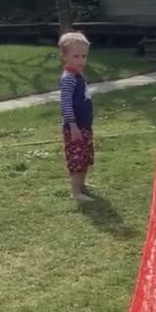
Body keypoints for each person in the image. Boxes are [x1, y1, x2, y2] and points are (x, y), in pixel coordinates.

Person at [58, 30, 94, 203]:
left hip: (84, 126)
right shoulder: (68, 78)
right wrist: (72, 125)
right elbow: (66, 104)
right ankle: (75, 191)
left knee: (86, 156)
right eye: (76, 56)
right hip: (75, 127)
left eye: (84, 56)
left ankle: (82, 185)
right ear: (64, 56)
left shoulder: (78, 75)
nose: (81, 60)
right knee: (77, 159)